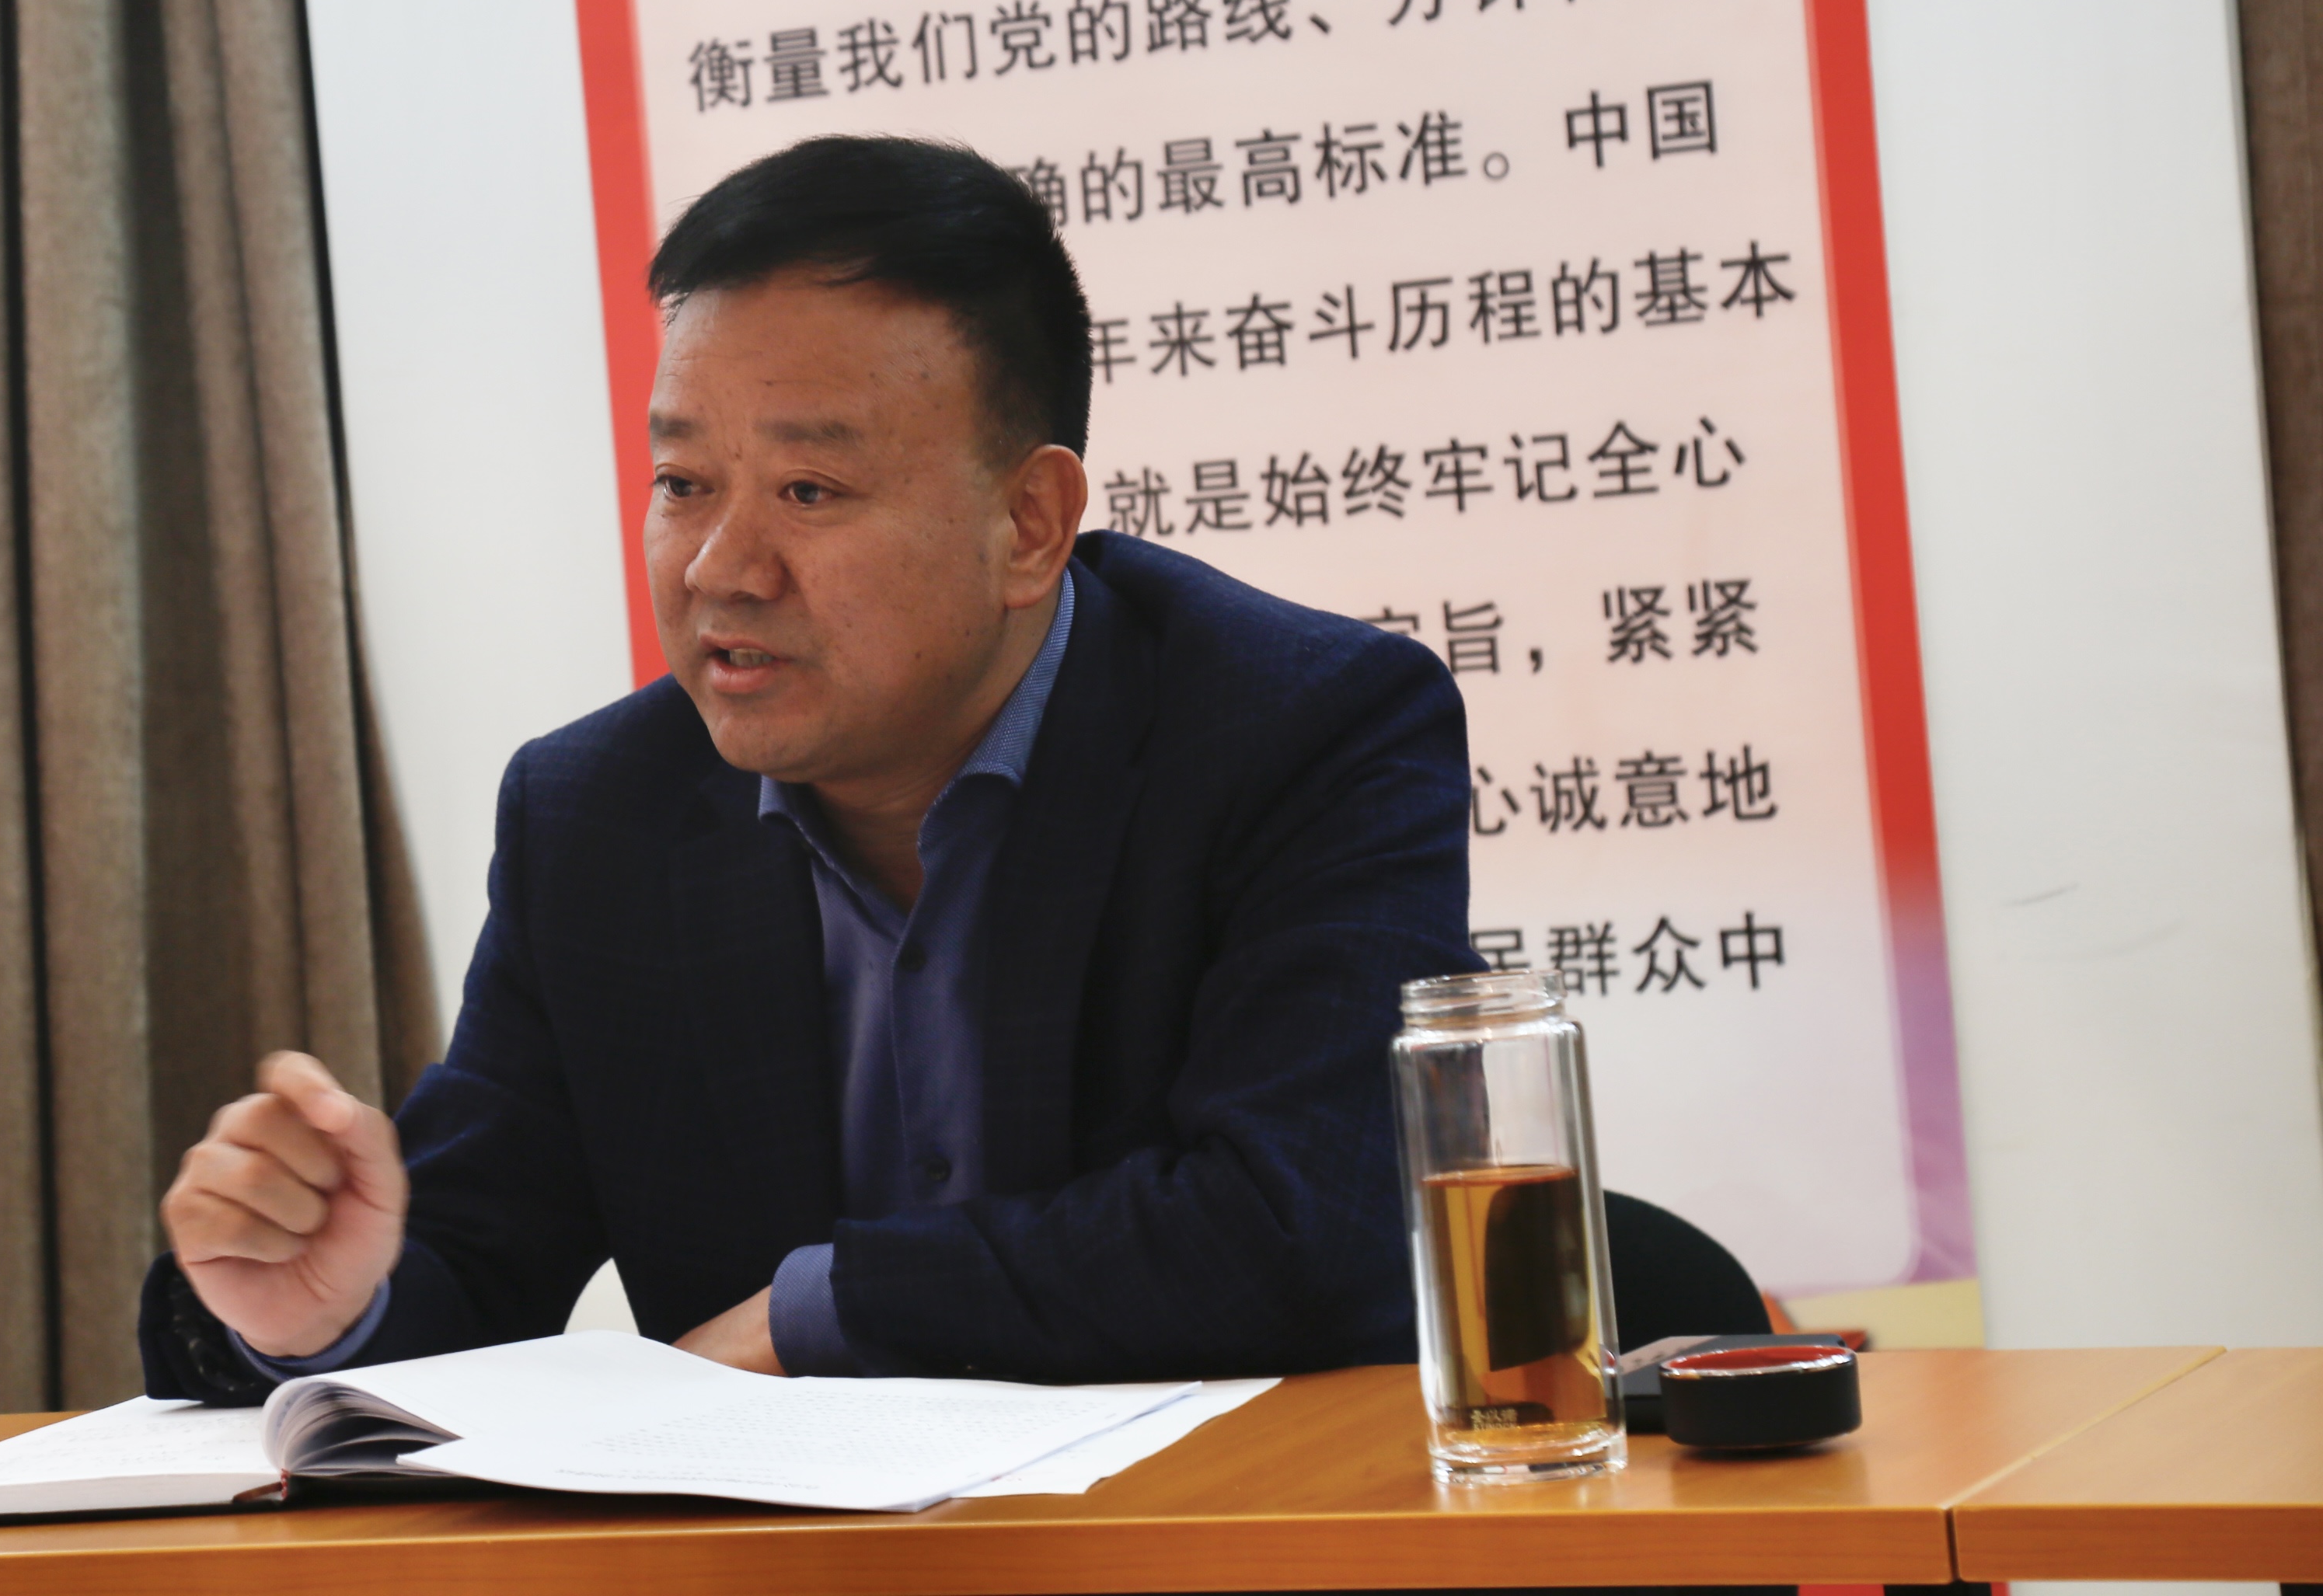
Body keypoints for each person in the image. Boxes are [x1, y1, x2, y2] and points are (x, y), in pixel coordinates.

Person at [140, 136, 1473, 1399]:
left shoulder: (1304, 732)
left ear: (1029, 523)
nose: (722, 568)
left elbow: (1307, 1227)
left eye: (809, 493)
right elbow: (474, 1258)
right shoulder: (597, 815)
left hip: (1218, 1529)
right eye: (682, 483)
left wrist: (814, 1313)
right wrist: (319, 1309)